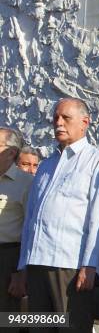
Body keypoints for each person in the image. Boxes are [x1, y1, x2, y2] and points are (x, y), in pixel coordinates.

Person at [18, 98, 99, 332]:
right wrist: (23, 265)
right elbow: (31, 218)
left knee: (70, 327)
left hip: (70, 266)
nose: (58, 123)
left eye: (66, 118)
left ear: (84, 122)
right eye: (55, 118)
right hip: (37, 264)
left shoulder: (98, 162)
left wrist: (90, 265)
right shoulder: (45, 165)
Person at [0, 127, 33, 313]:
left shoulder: (25, 183)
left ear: (11, 152)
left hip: (8, 259)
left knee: (5, 319)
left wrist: (22, 273)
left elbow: (31, 229)